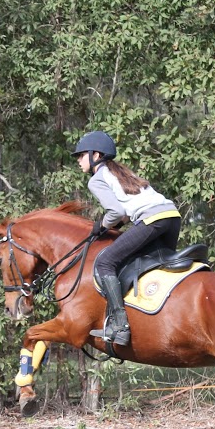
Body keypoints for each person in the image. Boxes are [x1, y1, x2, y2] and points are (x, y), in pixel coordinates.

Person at [73, 130, 181, 346]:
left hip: (152, 220)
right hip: (172, 216)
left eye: (81, 155)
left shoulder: (96, 179)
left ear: (96, 155)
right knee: (156, 266)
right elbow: (124, 213)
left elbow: (114, 211)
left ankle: (120, 325)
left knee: (105, 262)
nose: (78, 160)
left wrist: (100, 226)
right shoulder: (120, 172)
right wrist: (117, 224)